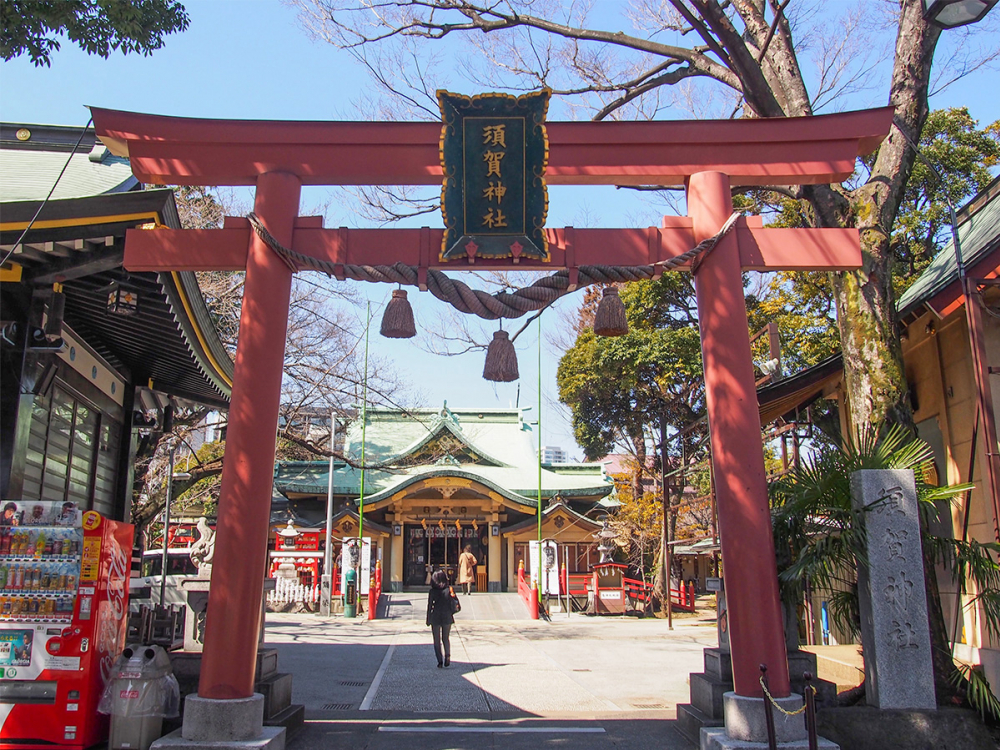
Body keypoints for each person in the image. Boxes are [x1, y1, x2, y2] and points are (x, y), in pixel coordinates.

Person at [426, 569, 454, 668]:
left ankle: (439, 660)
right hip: (447, 615)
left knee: (436, 640)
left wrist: (428, 618)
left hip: (435, 616)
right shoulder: (448, 590)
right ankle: (447, 655)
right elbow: (453, 603)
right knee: (446, 638)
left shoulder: (432, 591)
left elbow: (429, 606)